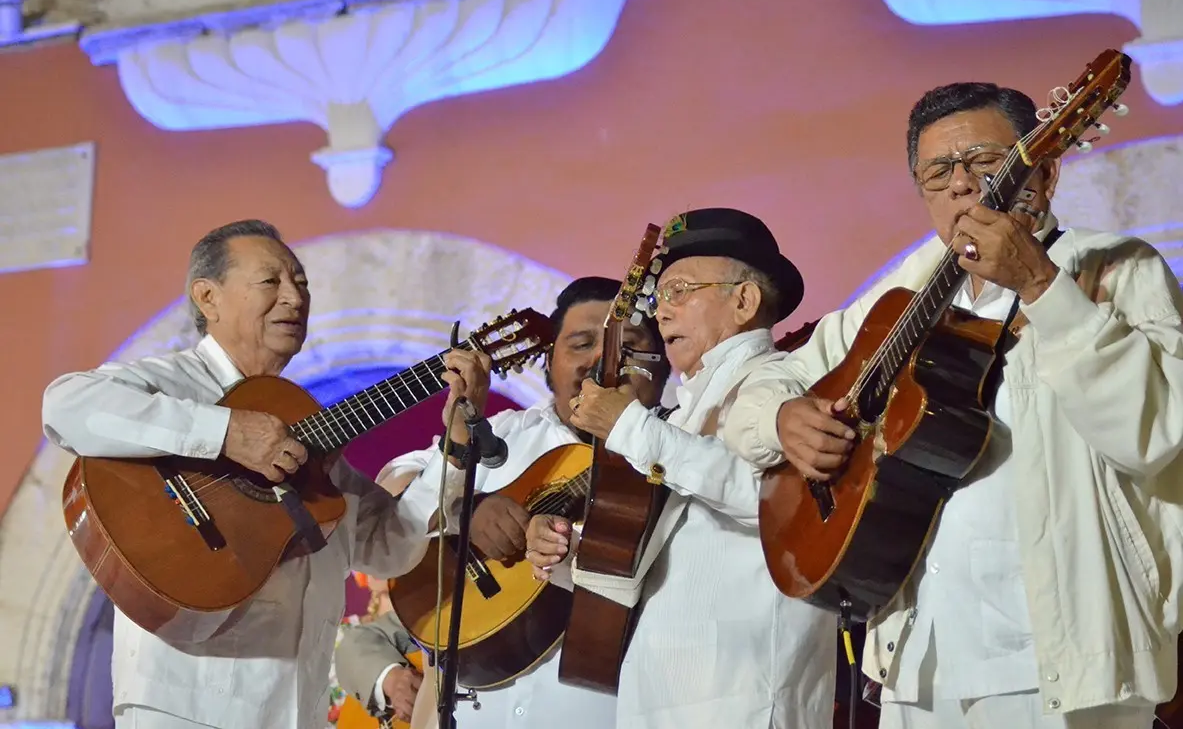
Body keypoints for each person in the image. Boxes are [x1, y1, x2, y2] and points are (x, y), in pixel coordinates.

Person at [721, 82, 1183, 729]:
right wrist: (780, 418)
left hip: (1062, 664)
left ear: (1042, 171)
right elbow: (753, 395)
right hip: (919, 661)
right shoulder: (907, 286)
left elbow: (1156, 431)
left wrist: (1040, 287)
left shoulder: (1115, 269)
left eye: (983, 162)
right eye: (938, 172)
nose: (962, 184)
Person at [42, 219, 427, 729]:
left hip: (298, 712)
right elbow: (64, 405)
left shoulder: (305, 427)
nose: (294, 297)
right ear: (208, 297)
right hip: (185, 707)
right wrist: (225, 433)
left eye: (302, 283)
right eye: (271, 281)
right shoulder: (172, 381)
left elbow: (391, 548)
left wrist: (455, 453)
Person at [525, 208, 837, 729]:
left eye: (680, 291)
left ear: (744, 301)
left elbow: (779, 505)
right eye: (658, 296)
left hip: (744, 695)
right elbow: (666, 553)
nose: (661, 313)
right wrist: (569, 550)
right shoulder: (683, 411)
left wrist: (632, 427)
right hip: (663, 694)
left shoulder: (783, 380)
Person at [333, 276, 671, 728]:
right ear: (549, 363)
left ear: (663, 366)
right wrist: (467, 508)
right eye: (582, 342)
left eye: (625, 345)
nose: (600, 359)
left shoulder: (682, 455)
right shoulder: (504, 432)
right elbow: (396, 484)